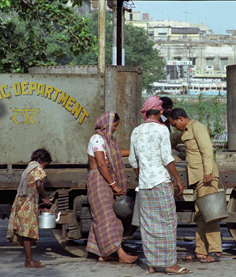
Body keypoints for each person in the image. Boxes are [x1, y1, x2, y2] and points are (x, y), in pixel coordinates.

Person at [129, 96, 191, 275]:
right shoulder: (162, 130)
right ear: (161, 111)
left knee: (148, 225)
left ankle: (151, 264)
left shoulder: (136, 131)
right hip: (160, 182)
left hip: (145, 185)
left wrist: (142, 177)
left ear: (146, 112)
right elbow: (167, 158)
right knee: (168, 223)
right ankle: (170, 264)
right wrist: (177, 180)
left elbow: (133, 161)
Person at [168, 108, 222, 263]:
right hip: (198, 178)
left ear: (180, 118)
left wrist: (208, 172)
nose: (175, 127)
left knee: (209, 216)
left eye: (174, 124)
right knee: (200, 216)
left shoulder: (197, 127)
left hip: (206, 178)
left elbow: (207, 150)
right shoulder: (187, 130)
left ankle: (215, 251)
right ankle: (200, 251)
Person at [86, 111, 138, 264]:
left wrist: (135, 152)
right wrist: (114, 186)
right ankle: (121, 254)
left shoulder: (108, 141)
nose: (115, 129)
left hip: (105, 181)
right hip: (98, 181)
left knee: (107, 218)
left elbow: (117, 153)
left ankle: (104, 254)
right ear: (107, 125)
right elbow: (101, 164)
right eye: (114, 126)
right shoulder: (96, 139)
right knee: (107, 219)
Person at [6, 149, 53, 269]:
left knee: (26, 232)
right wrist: (46, 198)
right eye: (45, 165)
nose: (44, 168)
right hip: (27, 204)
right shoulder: (37, 169)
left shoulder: (29, 168)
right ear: (41, 161)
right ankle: (29, 261)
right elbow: (38, 184)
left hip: (23, 202)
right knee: (27, 233)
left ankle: (30, 260)